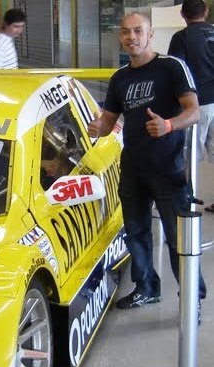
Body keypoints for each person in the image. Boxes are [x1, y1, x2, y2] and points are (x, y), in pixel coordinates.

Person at [88, 12, 207, 310]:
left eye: (138, 31)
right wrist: (97, 128)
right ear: (120, 36)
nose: (132, 37)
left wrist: (168, 125)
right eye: (126, 32)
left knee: (177, 239)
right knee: (137, 232)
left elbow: (194, 112)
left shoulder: (171, 67)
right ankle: (146, 288)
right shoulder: (120, 78)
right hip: (133, 168)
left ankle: (193, 298)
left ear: (150, 33)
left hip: (169, 169)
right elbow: (109, 121)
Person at [168, 0, 214, 212]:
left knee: (188, 155)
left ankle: (184, 201)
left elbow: (176, 72)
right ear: (206, 12)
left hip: (198, 104)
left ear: (182, 14)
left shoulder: (182, 38)